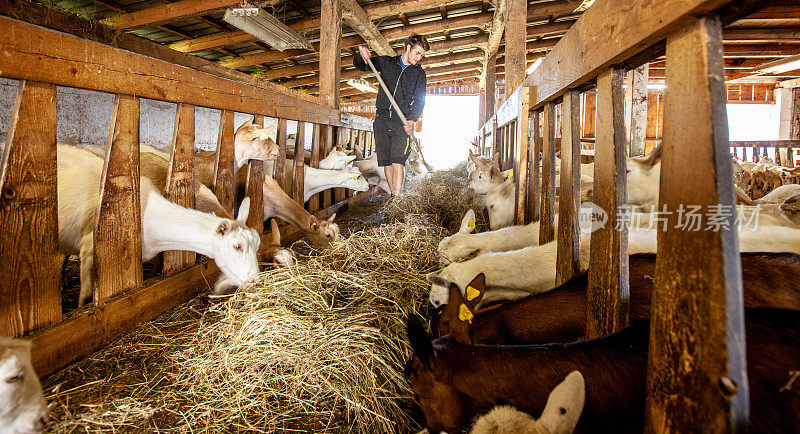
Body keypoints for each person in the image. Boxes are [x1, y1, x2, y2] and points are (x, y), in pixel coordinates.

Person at [353, 34, 429, 197]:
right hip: (381, 118)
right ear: (408, 47)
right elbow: (362, 65)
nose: (419, 58)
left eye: (421, 55)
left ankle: (397, 197)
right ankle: (393, 196)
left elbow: (420, 100)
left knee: (398, 161)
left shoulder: (419, 74)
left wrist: (412, 119)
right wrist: (362, 56)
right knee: (386, 161)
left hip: (401, 120)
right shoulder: (387, 63)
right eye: (417, 53)